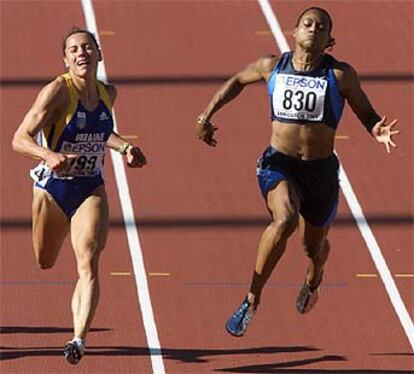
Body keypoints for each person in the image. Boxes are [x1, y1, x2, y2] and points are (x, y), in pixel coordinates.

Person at [195, 7, 399, 337]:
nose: (313, 30)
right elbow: (236, 81)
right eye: (307, 24)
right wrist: (205, 117)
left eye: (321, 27)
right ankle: (252, 298)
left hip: (320, 172)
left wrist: (377, 129)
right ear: (294, 31)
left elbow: (366, 110)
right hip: (279, 164)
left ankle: (314, 275)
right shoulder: (272, 66)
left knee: (312, 248)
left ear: (329, 40)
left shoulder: (340, 75)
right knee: (285, 218)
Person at [12, 27, 147, 363]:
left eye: (87, 47)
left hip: (89, 186)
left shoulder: (107, 93)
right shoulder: (58, 92)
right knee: (45, 260)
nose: (81, 53)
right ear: (65, 59)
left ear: (99, 53)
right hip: (52, 190)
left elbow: (100, 132)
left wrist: (125, 147)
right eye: (73, 49)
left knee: (88, 261)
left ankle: (78, 340)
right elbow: (19, 138)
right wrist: (49, 156)